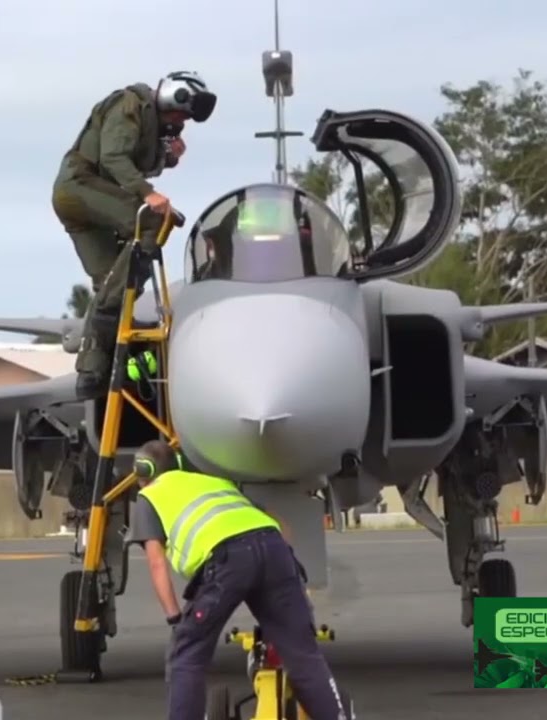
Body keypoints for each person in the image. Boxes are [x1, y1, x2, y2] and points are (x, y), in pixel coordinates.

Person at [125, 439, 348, 720]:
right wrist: (290, 581)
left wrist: (174, 620)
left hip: (227, 562)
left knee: (187, 656)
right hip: (274, 549)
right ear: (179, 464)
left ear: (143, 473)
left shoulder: (150, 497)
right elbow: (281, 527)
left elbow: (157, 563)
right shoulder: (216, 484)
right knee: (303, 655)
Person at [51, 71, 217, 398]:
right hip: (79, 187)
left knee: (110, 281)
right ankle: (106, 325)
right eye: (180, 113)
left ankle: (91, 371)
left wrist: (168, 158)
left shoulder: (152, 127)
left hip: (84, 201)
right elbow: (113, 158)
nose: (180, 121)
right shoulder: (130, 104)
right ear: (173, 96)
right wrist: (147, 193)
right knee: (152, 222)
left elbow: (135, 162)